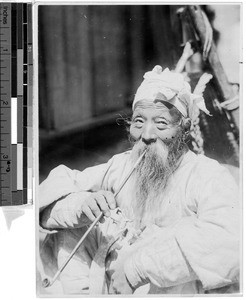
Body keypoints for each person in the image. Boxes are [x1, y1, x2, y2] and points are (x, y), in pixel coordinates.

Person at [39, 66, 240, 295]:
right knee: (72, 220)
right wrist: (81, 206)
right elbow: (51, 194)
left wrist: (136, 270)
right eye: (138, 122)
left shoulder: (205, 175)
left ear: (184, 129)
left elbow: (231, 243)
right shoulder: (121, 166)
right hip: (106, 287)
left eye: (161, 123)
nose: (146, 135)